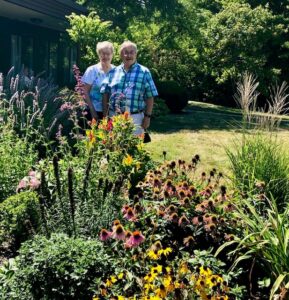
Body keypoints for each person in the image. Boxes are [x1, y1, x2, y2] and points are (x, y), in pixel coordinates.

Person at [101, 41, 158, 135]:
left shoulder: (144, 72)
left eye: (132, 52)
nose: (128, 55)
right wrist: (105, 116)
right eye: (125, 52)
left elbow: (150, 96)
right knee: (114, 147)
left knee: (133, 148)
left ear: (136, 54)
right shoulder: (113, 72)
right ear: (120, 55)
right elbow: (105, 94)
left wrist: (147, 117)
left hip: (135, 118)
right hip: (114, 117)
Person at [81, 41, 114, 120]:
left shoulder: (116, 71)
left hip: (112, 112)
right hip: (93, 111)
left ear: (112, 54)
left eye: (108, 54)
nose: (105, 56)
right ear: (99, 54)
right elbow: (84, 92)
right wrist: (92, 111)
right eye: (102, 53)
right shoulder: (92, 70)